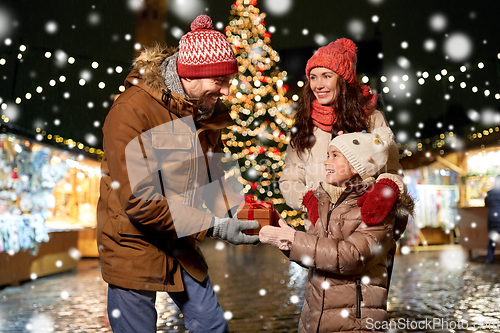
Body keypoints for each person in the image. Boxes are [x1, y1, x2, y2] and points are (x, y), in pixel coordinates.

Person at [97, 15, 260, 333]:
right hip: (132, 242)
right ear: (193, 75)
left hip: (180, 238)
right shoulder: (131, 111)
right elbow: (141, 202)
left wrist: (238, 211)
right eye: (220, 79)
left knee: (212, 324)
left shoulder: (205, 112)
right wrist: (215, 225)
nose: (227, 90)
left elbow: (214, 172)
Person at [260, 128, 414, 332]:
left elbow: (351, 256)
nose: (326, 162)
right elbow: (316, 255)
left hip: (354, 323)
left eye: (335, 156)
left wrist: (292, 239)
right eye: (327, 155)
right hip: (316, 319)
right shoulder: (329, 203)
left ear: (358, 164)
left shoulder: (377, 208)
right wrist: (283, 233)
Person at [279, 38, 406, 233]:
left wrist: (383, 192)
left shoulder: (371, 119)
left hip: (365, 230)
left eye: (326, 76)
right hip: (320, 231)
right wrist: (308, 200)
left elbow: (393, 172)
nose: (318, 85)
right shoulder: (304, 124)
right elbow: (289, 179)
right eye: (313, 77)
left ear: (342, 79)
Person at [485, 175, 500, 263]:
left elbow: (486, 203)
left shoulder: (490, 192)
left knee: (493, 238)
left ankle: (489, 258)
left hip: (492, 218)